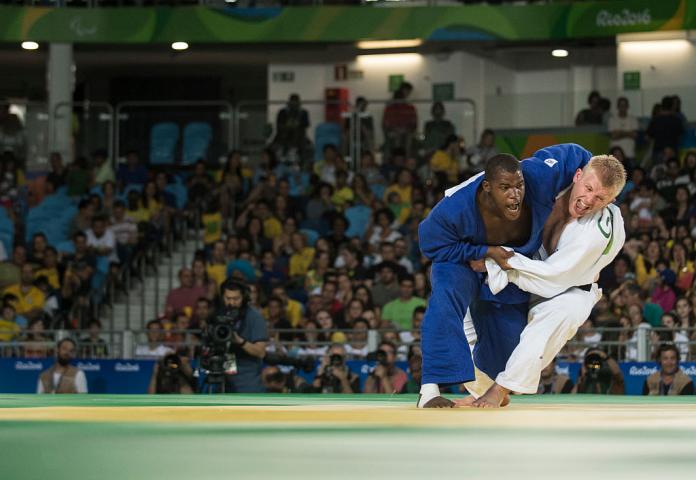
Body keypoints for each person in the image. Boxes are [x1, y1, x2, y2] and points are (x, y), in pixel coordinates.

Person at [417, 143, 592, 408]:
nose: (515, 195)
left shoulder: (539, 176)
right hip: (462, 261)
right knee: (445, 299)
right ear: (487, 187)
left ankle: (487, 385)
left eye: (518, 185)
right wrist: (484, 250)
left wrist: (600, 192)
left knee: (507, 352)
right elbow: (430, 244)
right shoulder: (454, 209)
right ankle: (429, 390)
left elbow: (579, 156)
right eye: (505, 188)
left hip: (506, 267)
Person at [466, 154, 626, 407]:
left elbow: (553, 278)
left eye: (600, 199)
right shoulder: (550, 187)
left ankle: (500, 389)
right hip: (537, 269)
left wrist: (495, 261)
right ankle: (482, 387)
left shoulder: (593, 235)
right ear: (577, 176)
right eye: (588, 189)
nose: (588, 201)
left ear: (611, 202)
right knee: (463, 312)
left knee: (547, 325)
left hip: (572, 288)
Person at [218, 279, 268, 393]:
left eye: (236, 299)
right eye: (228, 298)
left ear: (244, 298)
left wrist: (240, 341)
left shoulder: (255, 317)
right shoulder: (220, 314)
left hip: (248, 383)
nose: (231, 303)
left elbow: (261, 352)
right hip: (224, 379)